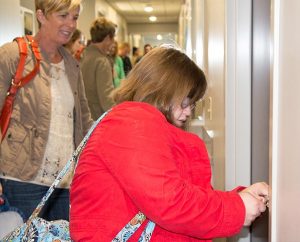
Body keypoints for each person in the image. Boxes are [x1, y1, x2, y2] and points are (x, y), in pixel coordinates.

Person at [69, 46, 269, 241]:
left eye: (193, 104)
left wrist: (238, 199)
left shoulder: (135, 123)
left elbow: (173, 193)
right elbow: (169, 202)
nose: (189, 111)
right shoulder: (133, 123)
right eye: (186, 101)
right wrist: (236, 208)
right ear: (164, 89)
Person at [0, 0, 93, 222]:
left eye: (75, 17)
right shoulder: (13, 56)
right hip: (22, 179)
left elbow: (84, 119)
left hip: (64, 182)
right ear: (41, 16)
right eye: (63, 16)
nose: (70, 24)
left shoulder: (71, 64)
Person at [81, 17, 116, 120]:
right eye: (112, 38)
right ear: (107, 38)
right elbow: (107, 100)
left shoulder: (83, 56)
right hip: (97, 119)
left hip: (83, 118)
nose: (113, 43)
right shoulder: (102, 62)